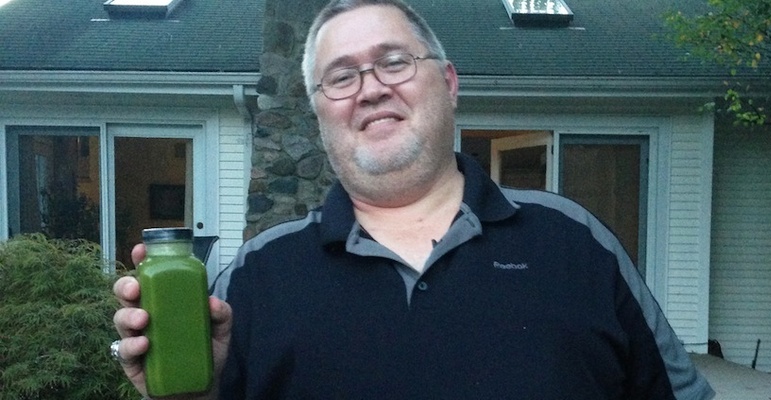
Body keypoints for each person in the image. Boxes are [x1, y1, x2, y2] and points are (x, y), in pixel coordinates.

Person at [112, 0, 716, 398]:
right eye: (341, 77)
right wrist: (194, 394)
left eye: (394, 62)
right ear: (319, 112)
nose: (371, 89)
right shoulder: (256, 276)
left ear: (449, 84)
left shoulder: (573, 241)